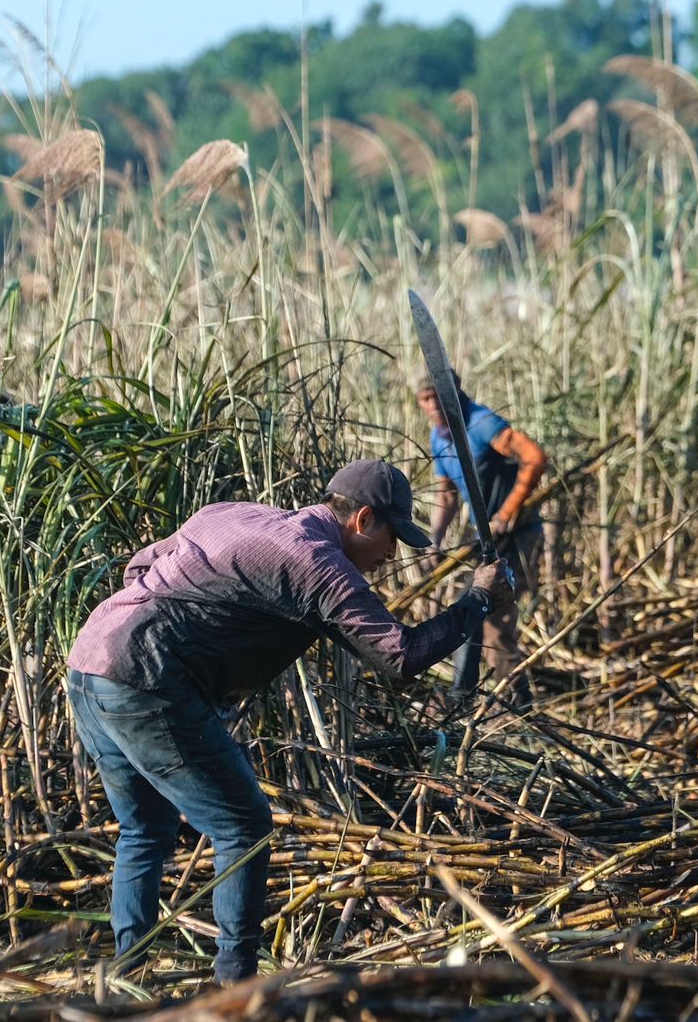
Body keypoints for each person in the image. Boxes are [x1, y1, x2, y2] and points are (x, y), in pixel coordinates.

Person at [64, 459, 513, 986]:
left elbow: (139, 570)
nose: (392, 554)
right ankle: (238, 986)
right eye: (392, 537)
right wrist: (478, 599)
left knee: (146, 827)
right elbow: (402, 657)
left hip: (90, 660)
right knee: (245, 829)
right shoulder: (318, 563)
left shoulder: (232, 515)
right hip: (145, 680)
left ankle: (124, 977)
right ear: (364, 519)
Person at [416, 373, 548, 695]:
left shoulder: (482, 423)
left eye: (437, 397)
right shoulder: (439, 436)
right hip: (488, 542)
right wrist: (435, 541)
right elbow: (446, 494)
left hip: (518, 537)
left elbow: (535, 458)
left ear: (454, 393)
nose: (433, 406)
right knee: (476, 615)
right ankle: (481, 698)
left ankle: (517, 709)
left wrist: (507, 512)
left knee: (492, 623)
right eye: (425, 399)